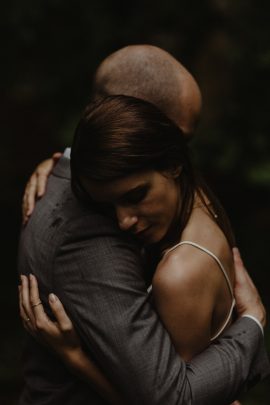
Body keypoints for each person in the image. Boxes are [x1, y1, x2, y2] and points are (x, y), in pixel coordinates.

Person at [18, 47, 269, 405]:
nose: (183, 153)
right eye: (176, 135)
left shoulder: (166, 213)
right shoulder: (86, 228)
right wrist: (253, 323)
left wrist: (253, 323)